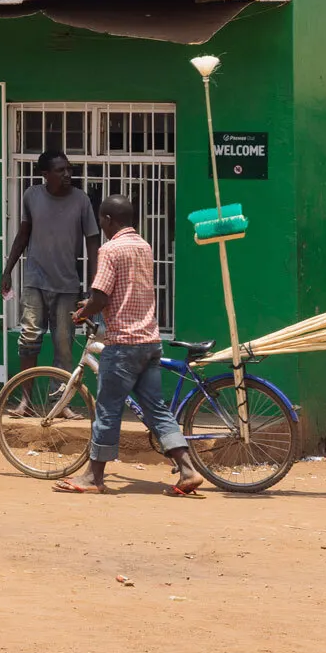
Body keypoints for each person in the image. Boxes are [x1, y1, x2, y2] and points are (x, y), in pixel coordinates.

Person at [54, 194, 203, 495]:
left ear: (108, 220)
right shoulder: (143, 246)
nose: (101, 226)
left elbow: (102, 298)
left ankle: (93, 478)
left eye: (101, 220)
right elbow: (124, 291)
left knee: (108, 410)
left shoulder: (110, 250)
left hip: (122, 343)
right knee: (156, 409)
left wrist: (82, 313)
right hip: (150, 341)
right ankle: (187, 470)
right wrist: (94, 304)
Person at [2, 150, 101, 378]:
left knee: (64, 345)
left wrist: (96, 284)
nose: (67, 174)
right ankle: (26, 400)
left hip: (67, 285)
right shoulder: (31, 196)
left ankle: (60, 402)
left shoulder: (81, 200)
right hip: (35, 281)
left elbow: (93, 242)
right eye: (60, 170)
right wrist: (8, 270)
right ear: (45, 174)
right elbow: (23, 234)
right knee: (29, 339)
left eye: (69, 169)